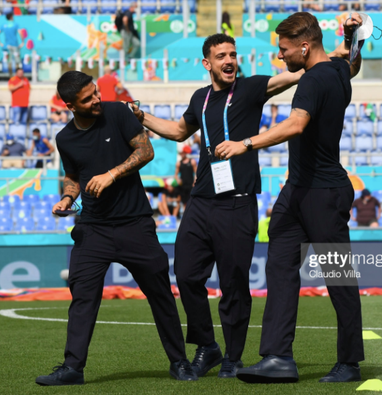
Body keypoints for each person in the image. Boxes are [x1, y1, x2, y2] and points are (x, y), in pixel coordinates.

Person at [131, 30, 355, 380]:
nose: (230, 60)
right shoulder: (200, 98)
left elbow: (298, 72)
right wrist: (142, 117)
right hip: (202, 200)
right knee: (187, 275)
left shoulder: (251, 88)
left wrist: (340, 49)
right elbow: (177, 131)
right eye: (221, 56)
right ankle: (208, 345)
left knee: (234, 283)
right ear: (207, 63)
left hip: (239, 202)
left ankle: (235, 357)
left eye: (233, 54)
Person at [214, 12, 364, 384]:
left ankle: (349, 361)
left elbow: (296, 125)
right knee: (279, 265)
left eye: (283, 50)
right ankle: (278, 357)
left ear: (304, 46)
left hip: (324, 192)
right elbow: (353, 65)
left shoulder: (314, 81)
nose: (280, 57)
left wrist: (244, 143)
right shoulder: (336, 71)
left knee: (338, 277)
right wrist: (353, 35)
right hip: (297, 190)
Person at [35, 71, 196, 386]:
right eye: (87, 98)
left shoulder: (118, 112)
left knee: (161, 294)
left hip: (135, 223)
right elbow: (73, 175)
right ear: (69, 105)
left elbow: (146, 151)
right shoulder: (64, 138)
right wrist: (67, 198)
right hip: (93, 228)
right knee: (82, 295)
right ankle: (72, 369)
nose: (96, 100)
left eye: (95, 92)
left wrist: (111, 174)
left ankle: (180, 362)